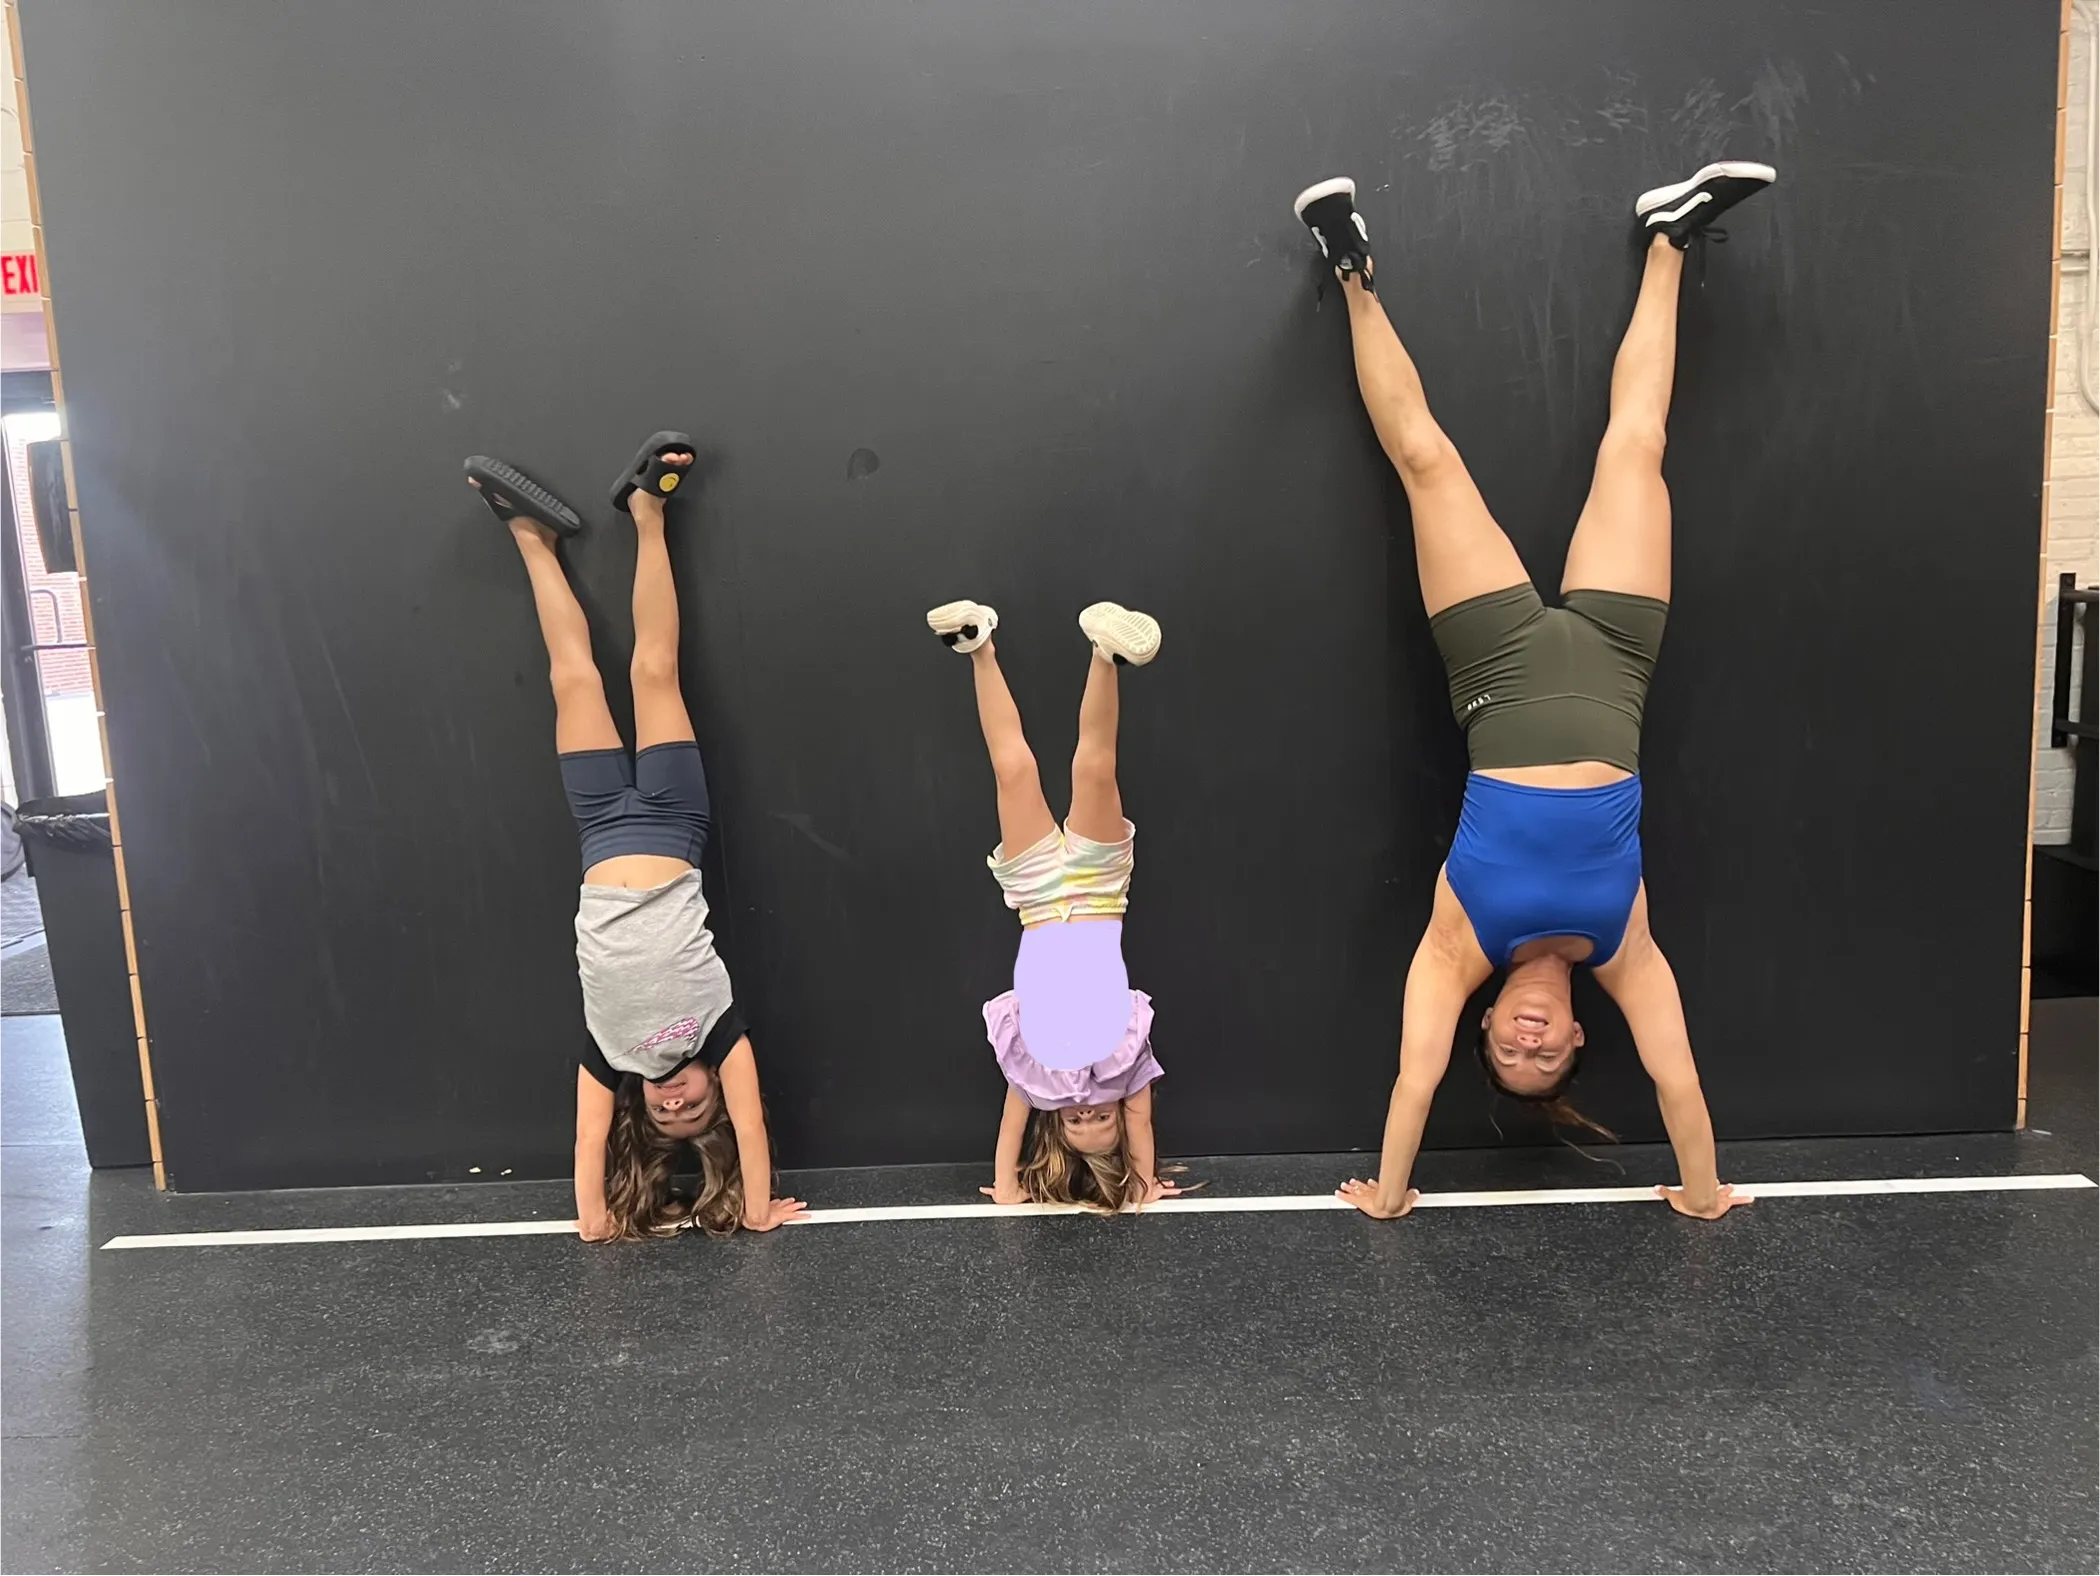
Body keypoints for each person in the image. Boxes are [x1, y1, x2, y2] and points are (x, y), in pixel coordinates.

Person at [1291, 162, 1778, 1222]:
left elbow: (1414, 1079)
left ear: (1489, 1025)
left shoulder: (1455, 944)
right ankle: (1671, 240)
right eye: (1543, 1057)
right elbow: (1679, 1078)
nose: (1526, 1042)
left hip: (1497, 666)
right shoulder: (1627, 948)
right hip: (1615, 656)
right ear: (1573, 1039)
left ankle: (1351, 271)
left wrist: (1388, 1192)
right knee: (1640, 444)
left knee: (1424, 458)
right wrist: (1700, 1194)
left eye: (1508, 1052)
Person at [465, 436, 803, 1241]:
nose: (678, 1102)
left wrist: (594, 1221)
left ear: (642, 1109)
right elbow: (751, 1133)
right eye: (697, 1112)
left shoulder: (607, 1053)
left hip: (598, 827)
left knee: (573, 678)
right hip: (674, 820)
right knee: (655, 670)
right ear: (716, 1091)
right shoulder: (721, 1032)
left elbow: (587, 1145)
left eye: (669, 1118)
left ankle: (529, 538)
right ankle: (647, 513)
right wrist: (754, 1212)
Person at [926, 598, 1185, 1213]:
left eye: (1079, 1127)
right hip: (1098, 895)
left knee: (1012, 770)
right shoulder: (1127, 1066)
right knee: (1095, 768)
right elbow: (1144, 1128)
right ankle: (1105, 653)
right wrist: (1142, 1184)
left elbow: (1009, 1126)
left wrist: (1010, 1186)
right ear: (1119, 1122)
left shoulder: (1035, 1075)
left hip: (1039, 901)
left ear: (1059, 1126)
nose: (1089, 1117)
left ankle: (977, 645)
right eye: (1104, 1125)